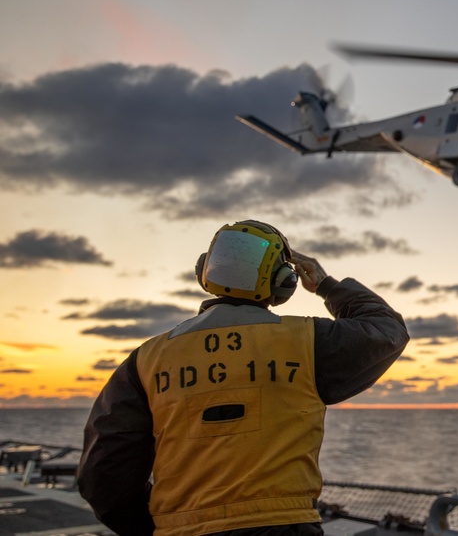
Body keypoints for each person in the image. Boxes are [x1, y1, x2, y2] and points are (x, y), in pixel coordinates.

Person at [78, 220, 409, 536]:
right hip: (284, 528)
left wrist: (157, 528)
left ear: (204, 270)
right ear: (283, 283)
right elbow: (387, 331)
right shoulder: (306, 342)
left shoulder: (147, 360)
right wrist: (326, 285)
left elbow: (103, 475)